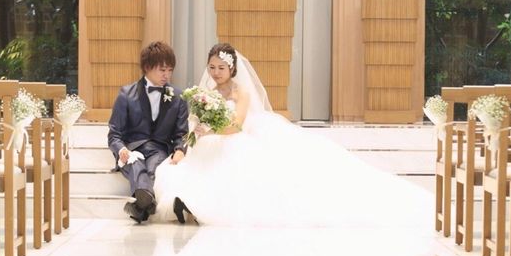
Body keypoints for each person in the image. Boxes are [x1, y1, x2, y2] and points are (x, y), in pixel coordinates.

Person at [153, 42, 432, 229]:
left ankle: (200, 205)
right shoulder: (208, 93)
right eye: (212, 67)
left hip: (234, 137)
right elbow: (199, 121)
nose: (215, 73)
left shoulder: (240, 92)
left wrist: (211, 130)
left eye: (221, 68)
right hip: (212, 139)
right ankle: (187, 203)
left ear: (232, 69)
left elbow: (236, 126)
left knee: (234, 158)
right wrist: (196, 134)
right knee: (187, 163)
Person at [108, 41, 188, 223]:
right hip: (131, 149)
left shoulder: (178, 97)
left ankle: (141, 206)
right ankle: (143, 203)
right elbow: (114, 134)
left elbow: (181, 133)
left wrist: (180, 149)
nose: (167, 75)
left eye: (170, 70)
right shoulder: (126, 94)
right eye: (162, 70)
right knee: (136, 163)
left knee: (154, 165)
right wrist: (121, 150)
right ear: (147, 67)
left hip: (158, 149)